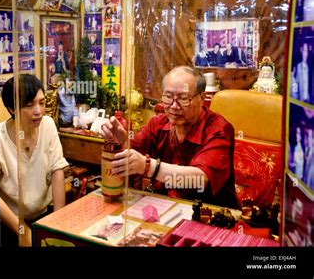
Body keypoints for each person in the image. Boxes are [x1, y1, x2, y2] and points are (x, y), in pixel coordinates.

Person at [101, 66, 237, 208]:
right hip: (167, 208)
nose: (174, 106)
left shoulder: (219, 129)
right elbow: (134, 153)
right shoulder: (158, 123)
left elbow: (200, 179)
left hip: (209, 213)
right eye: (168, 97)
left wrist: (148, 166)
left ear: (202, 98)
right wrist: (122, 141)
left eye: (184, 98)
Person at [0, 74, 68, 246]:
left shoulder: (48, 125)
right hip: (10, 221)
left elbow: (57, 170)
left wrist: (57, 223)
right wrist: (21, 231)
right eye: (30, 105)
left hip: (44, 215)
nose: (38, 111)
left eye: (41, 103)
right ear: (12, 109)